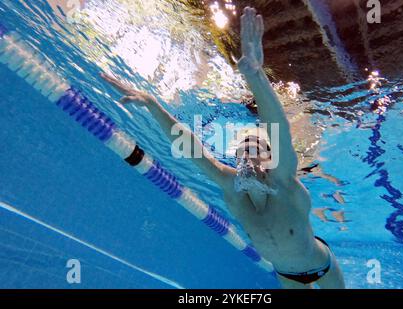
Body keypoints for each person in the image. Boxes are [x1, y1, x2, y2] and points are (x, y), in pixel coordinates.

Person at [101, 7, 345, 289]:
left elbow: (277, 125)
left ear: (270, 156)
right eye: (243, 149)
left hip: (320, 265)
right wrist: (154, 105)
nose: (248, 153)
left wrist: (256, 76)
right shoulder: (230, 185)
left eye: (256, 147)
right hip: (286, 276)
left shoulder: (283, 179)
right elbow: (189, 146)